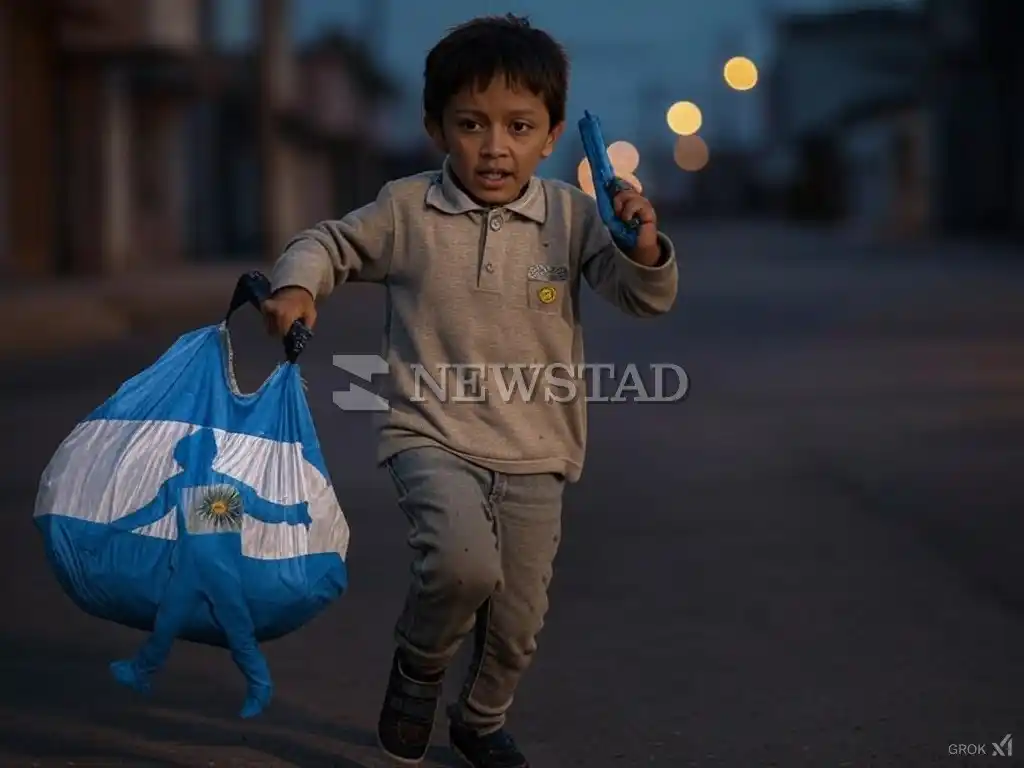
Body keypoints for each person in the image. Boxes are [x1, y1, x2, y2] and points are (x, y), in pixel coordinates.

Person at [262, 14, 678, 767]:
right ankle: (418, 667)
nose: (495, 146)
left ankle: (480, 719)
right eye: (472, 124)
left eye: (519, 126)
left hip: (537, 448)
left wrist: (642, 242)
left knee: (517, 620)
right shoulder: (406, 209)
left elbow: (643, 297)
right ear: (436, 128)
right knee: (461, 567)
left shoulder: (572, 217)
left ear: (552, 136)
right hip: (432, 431)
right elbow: (328, 241)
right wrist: (297, 285)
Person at [108, 428, 310, 719]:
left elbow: (268, 510)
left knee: (236, 630)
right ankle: (141, 671)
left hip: (218, 575)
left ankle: (260, 686)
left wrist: (295, 513)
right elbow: (149, 513)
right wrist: (117, 526)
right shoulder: (198, 486)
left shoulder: (210, 486)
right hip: (191, 573)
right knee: (167, 625)